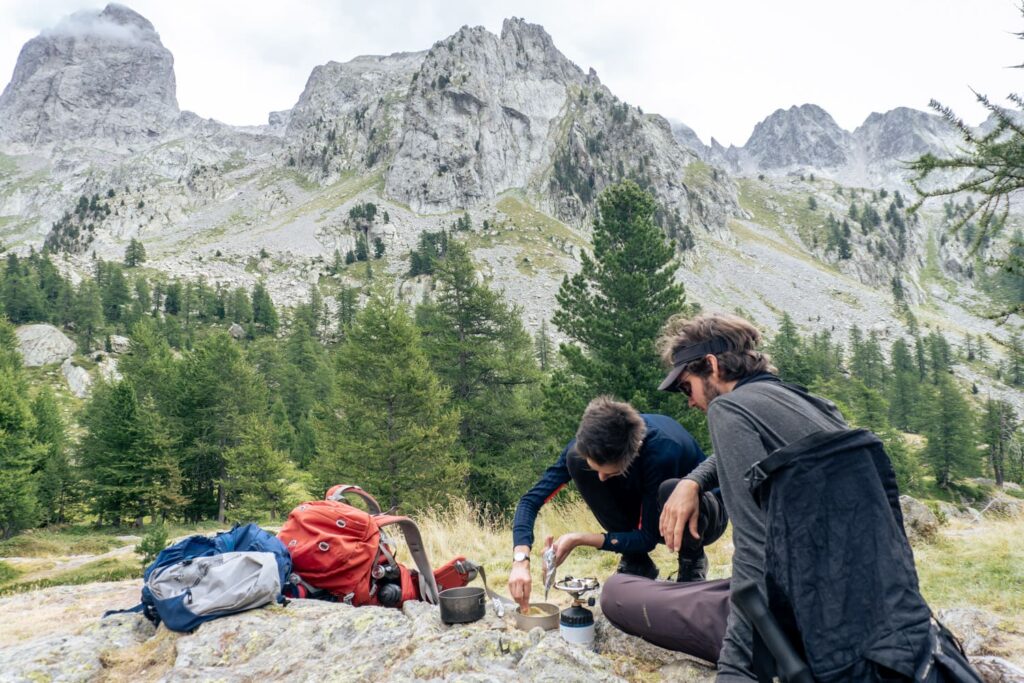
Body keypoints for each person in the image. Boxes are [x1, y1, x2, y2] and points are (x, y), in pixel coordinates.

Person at [655, 312, 851, 682]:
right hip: (852, 600)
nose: (690, 402)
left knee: (623, 599)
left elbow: (756, 548)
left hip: (792, 618)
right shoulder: (808, 403)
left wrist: (735, 667)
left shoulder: (728, 410)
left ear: (711, 366)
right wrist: (693, 481)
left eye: (686, 387)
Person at [507, 396, 727, 611]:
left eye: (608, 472)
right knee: (575, 460)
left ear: (634, 451)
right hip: (649, 507)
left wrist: (579, 539)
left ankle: (692, 560)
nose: (600, 479)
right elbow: (530, 501)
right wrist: (520, 560)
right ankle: (637, 562)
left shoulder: (663, 451)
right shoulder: (590, 440)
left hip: (707, 515)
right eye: (597, 469)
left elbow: (648, 538)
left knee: (671, 489)